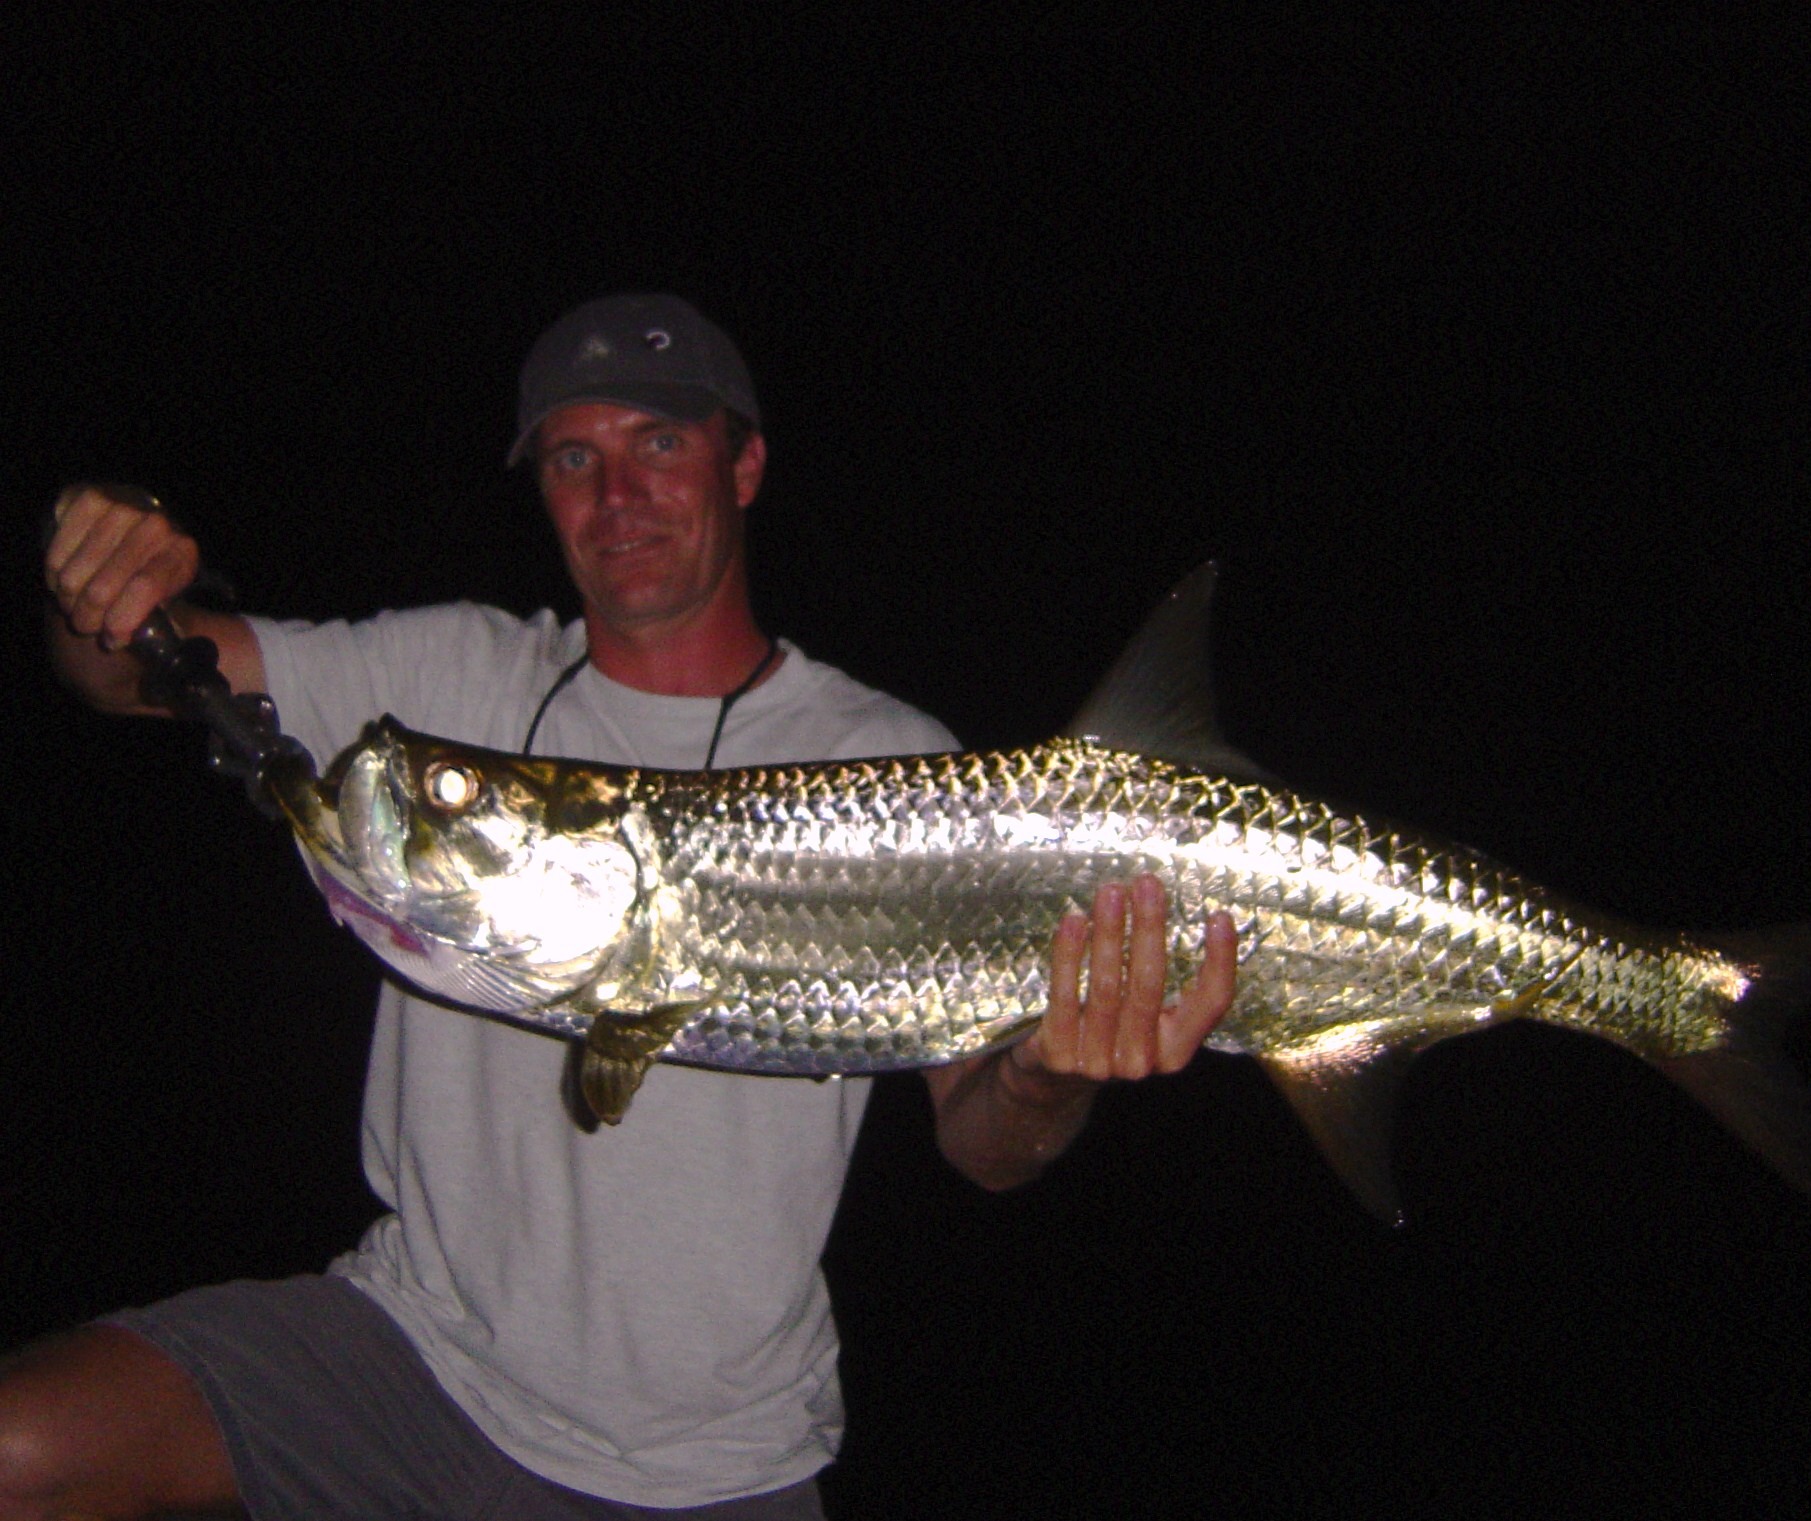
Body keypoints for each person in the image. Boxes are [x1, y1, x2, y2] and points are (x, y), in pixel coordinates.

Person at [12, 294, 1239, 1519]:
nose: (617, 496)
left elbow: (986, 1148)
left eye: (659, 443)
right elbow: (132, 672)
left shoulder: (884, 760)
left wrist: (1048, 1073)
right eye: (573, 458)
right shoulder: (450, 680)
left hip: (712, 1465)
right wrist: (114, 571)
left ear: (743, 464)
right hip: (408, 1361)